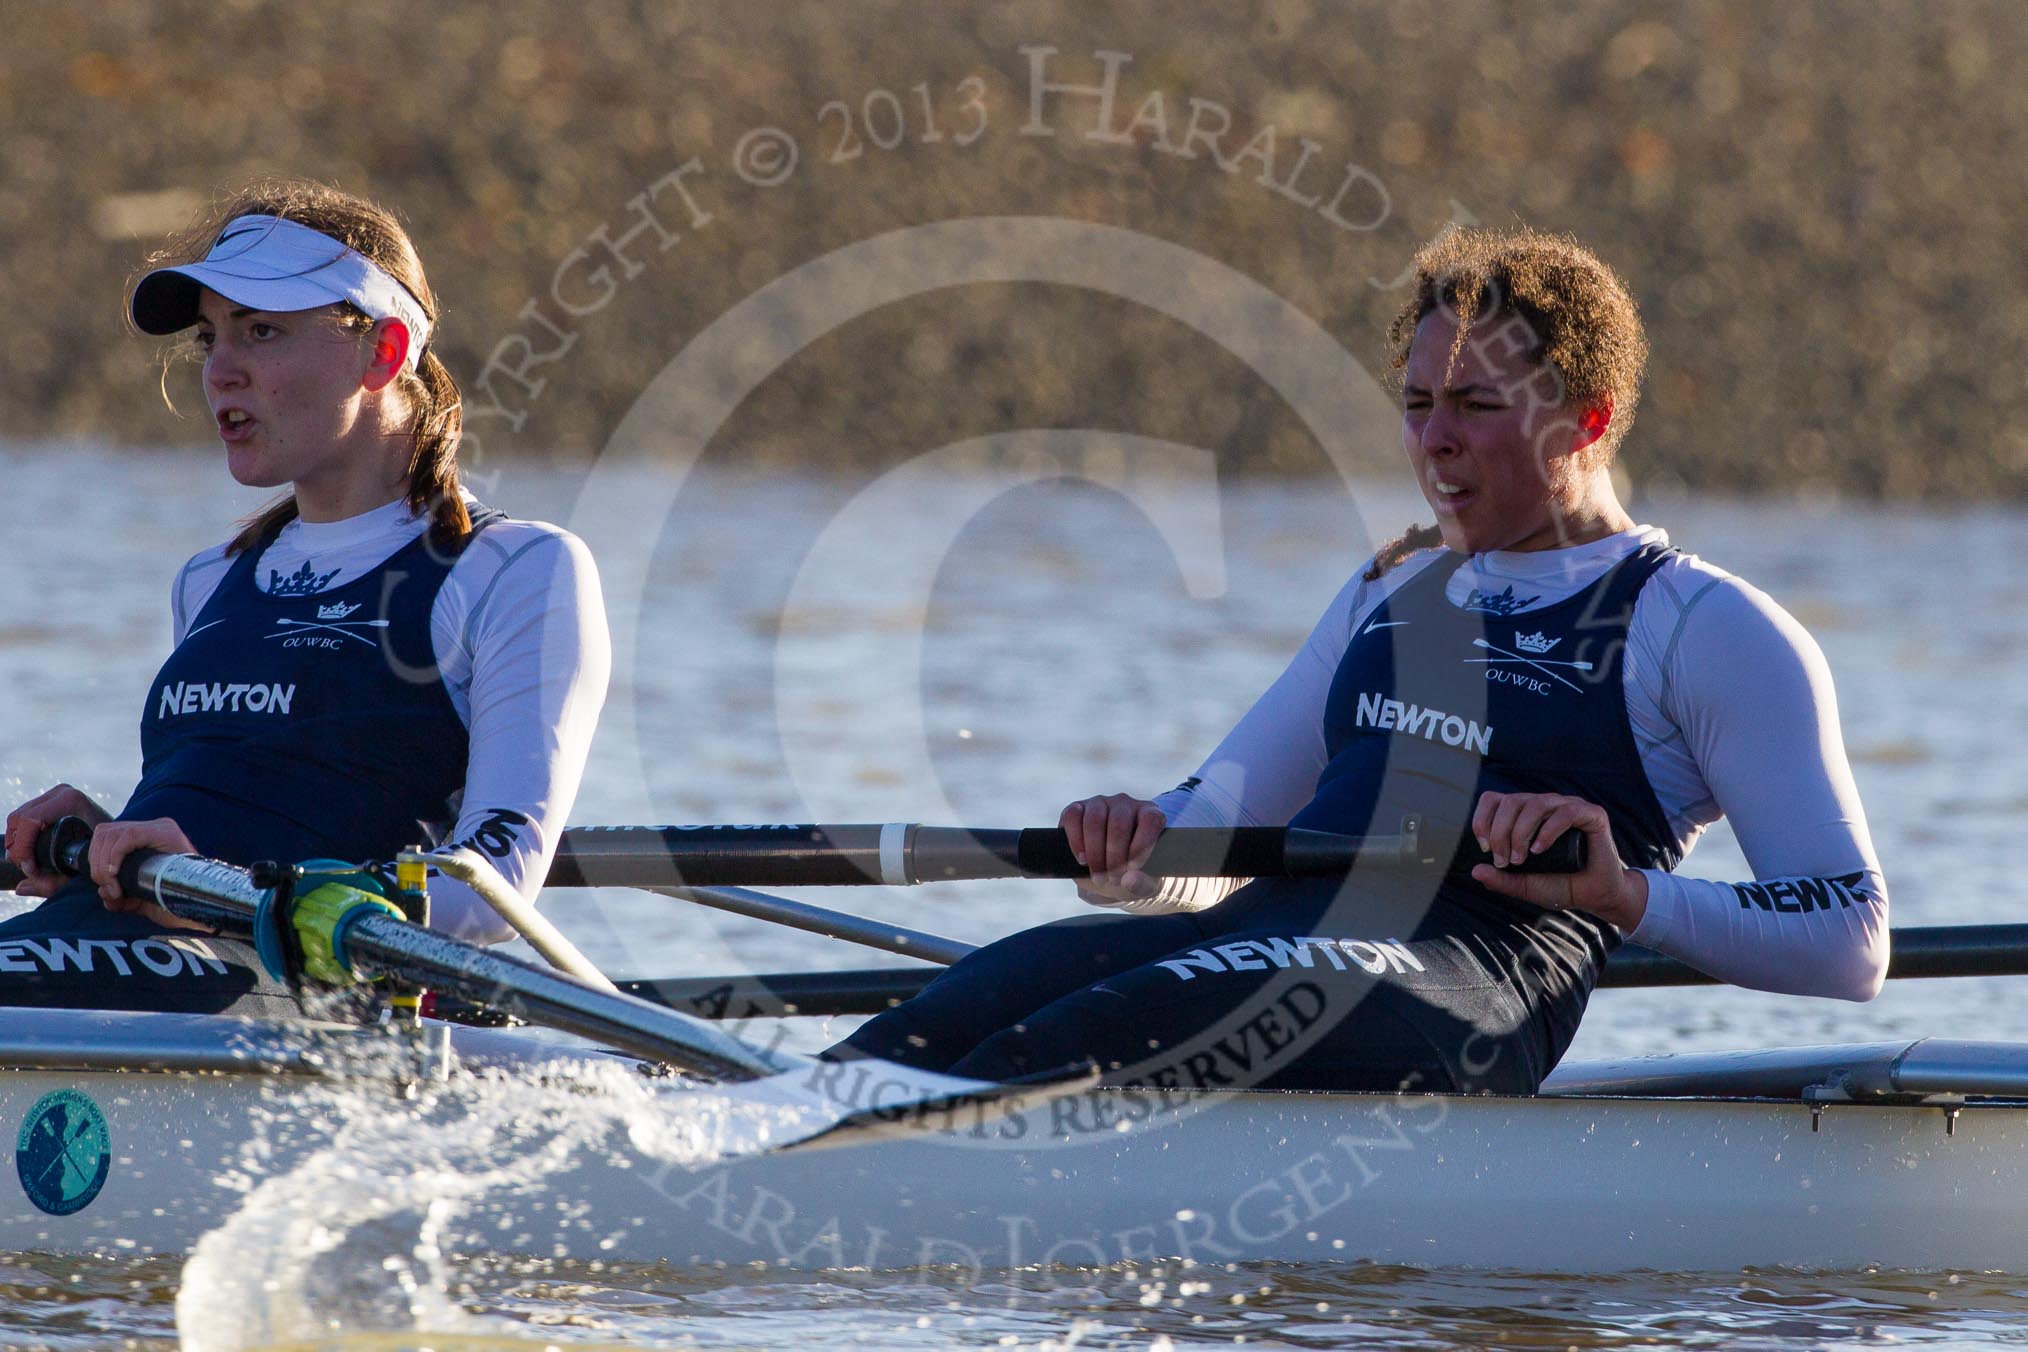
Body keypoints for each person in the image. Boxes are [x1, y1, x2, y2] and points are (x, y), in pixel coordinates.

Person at [837, 227, 1889, 1095]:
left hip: (1467, 983)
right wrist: (1139, 845)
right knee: (944, 1018)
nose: (1435, 441)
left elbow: (1850, 937)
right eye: (1419, 402)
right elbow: (1217, 837)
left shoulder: (1712, 630)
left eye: (1477, 405)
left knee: (1058, 1048)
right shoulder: (1391, 592)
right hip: (1264, 943)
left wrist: (1624, 892)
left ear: (1587, 419)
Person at [1, 180, 610, 1014]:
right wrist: (106, 841)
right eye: (209, 338)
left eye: (262, 331)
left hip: (317, 998)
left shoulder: (511, 570)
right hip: (149, 963)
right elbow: (262, 803)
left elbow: (493, 886)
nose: (221, 370)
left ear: (383, 353)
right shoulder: (210, 579)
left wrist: (237, 892)